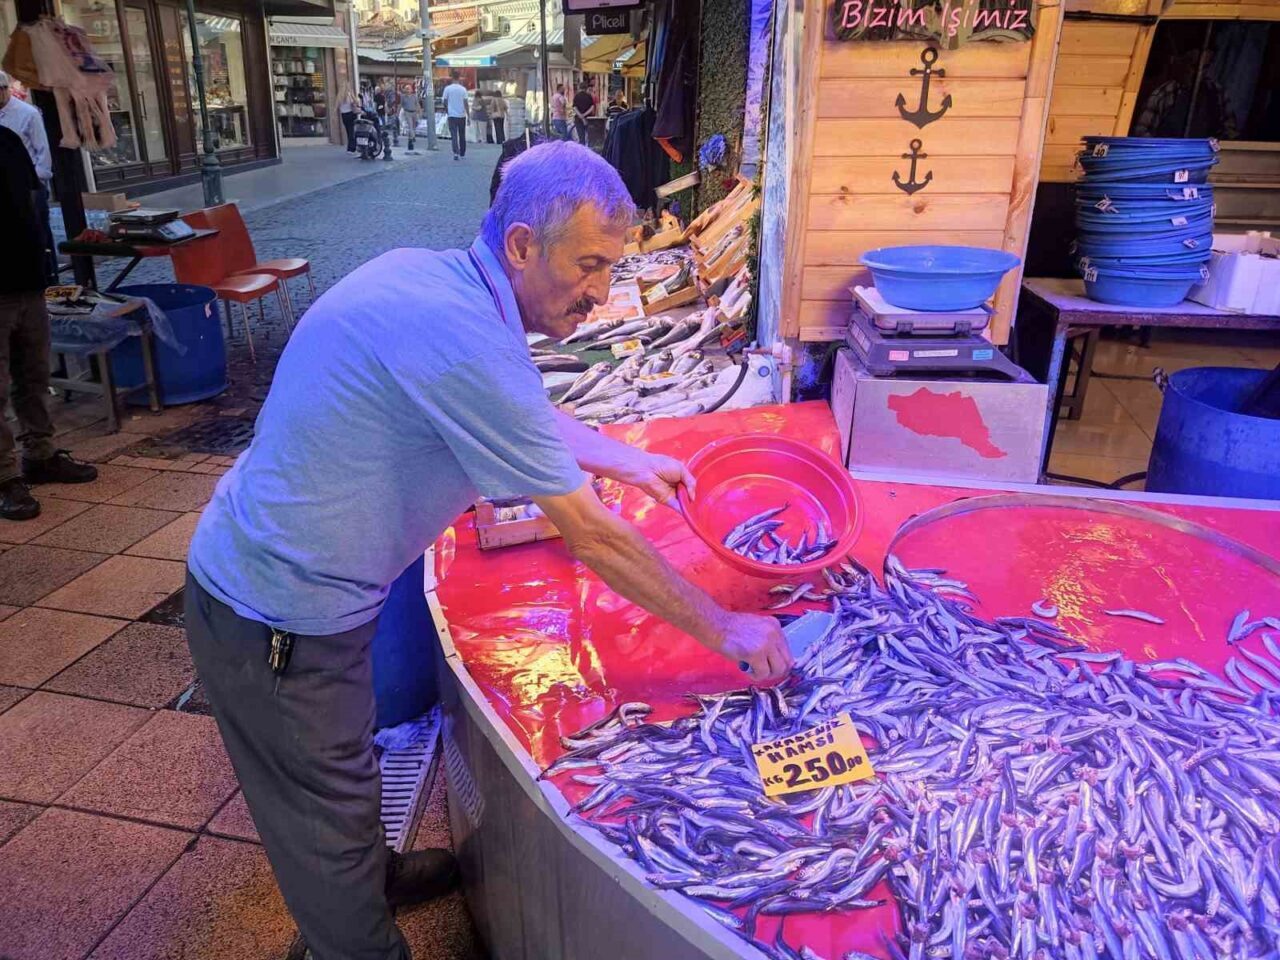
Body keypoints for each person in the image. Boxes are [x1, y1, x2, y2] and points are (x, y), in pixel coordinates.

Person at [183, 140, 791, 960]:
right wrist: (728, 629)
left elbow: (520, 415)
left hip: (315, 595)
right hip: (273, 617)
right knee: (316, 808)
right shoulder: (458, 330)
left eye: (613, 266)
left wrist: (630, 458)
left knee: (344, 762)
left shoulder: (440, 281)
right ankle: (351, 933)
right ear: (520, 246)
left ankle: (373, 878)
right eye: (589, 265)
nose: (602, 291)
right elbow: (594, 536)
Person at [1, 126, 98, 521]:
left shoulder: (6, 139)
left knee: (35, 376)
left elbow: (33, 201)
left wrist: (44, 264)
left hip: (28, 279)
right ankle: (5, 477)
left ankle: (39, 455)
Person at [0, 71, 55, 279]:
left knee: (38, 230)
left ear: (4, 90)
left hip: (30, 183)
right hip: (5, 184)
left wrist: (38, 183)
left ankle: (48, 275)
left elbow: (43, 150)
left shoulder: (27, 113)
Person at [442, 70, 469, 160]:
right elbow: (466, 103)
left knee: (454, 135)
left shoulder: (447, 89)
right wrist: (468, 114)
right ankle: (462, 152)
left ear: (452, 77)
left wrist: (447, 111)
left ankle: (455, 153)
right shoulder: (463, 89)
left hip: (452, 115)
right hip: (462, 115)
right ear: (459, 77)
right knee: (462, 134)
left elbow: (445, 101)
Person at [337, 82, 359, 153]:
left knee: (348, 131)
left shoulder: (339, 96)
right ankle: (352, 148)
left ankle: (350, 148)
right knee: (351, 131)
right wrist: (352, 94)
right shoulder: (349, 95)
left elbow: (337, 106)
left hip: (343, 115)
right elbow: (356, 102)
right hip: (350, 114)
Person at [572, 81, 595, 146]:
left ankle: (582, 154)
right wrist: (584, 115)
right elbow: (592, 107)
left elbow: (575, 108)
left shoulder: (576, 96)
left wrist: (581, 116)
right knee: (590, 138)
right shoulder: (589, 96)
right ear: (586, 88)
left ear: (579, 88)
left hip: (578, 119)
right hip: (589, 118)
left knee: (581, 139)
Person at [398, 82, 421, 148]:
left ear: (411, 90)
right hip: (407, 112)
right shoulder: (403, 97)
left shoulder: (414, 96)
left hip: (414, 112)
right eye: (406, 89)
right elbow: (400, 105)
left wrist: (419, 111)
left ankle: (411, 136)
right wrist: (398, 112)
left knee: (414, 126)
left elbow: (417, 104)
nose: (407, 90)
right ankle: (412, 138)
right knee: (410, 126)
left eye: (409, 89)